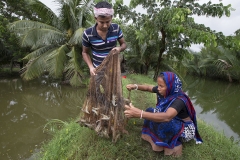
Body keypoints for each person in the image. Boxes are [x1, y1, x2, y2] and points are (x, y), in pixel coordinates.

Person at [124, 72, 202, 156]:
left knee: (163, 121)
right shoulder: (164, 91)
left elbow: (167, 117)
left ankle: (175, 144)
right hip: (171, 119)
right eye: (158, 85)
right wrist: (135, 86)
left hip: (185, 129)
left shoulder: (179, 99)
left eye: (161, 86)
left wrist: (140, 114)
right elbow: (147, 88)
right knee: (150, 111)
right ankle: (154, 139)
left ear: (170, 86)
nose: (158, 88)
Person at [82, 1, 127, 76]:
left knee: (113, 88)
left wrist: (119, 48)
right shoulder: (88, 33)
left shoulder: (116, 28)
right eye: (102, 22)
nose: (105, 25)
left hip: (113, 70)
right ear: (96, 18)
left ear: (111, 18)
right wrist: (91, 67)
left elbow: (124, 44)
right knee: (97, 88)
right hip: (97, 70)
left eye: (108, 22)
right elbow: (84, 53)